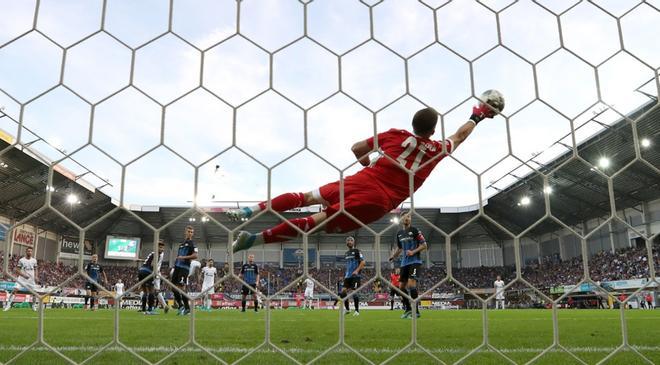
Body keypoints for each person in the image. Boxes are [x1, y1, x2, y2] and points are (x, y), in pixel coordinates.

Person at [228, 100, 503, 252]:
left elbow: (357, 148)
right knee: (314, 223)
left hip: (360, 180)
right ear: (432, 131)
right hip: (378, 199)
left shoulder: (395, 135)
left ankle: (252, 209)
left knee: (305, 196)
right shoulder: (436, 149)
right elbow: (460, 135)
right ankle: (254, 239)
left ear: (412, 125)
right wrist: (477, 115)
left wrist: (368, 160)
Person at [389, 212, 427, 319]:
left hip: (415, 261)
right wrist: (393, 256)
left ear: (410, 219)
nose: (407, 218)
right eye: (405, 216)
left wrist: (413, 251)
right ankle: (408, 309)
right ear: (401, 219)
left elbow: (424, 245)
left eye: (409, 216)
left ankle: (416, 311)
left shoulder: (415, 231)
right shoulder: (399, 233)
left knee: (411, 285)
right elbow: (400, 248)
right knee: (401, 288)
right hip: (404, 263)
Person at [171, 226, 198, 315]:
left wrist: (183, 257)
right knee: (173, 288)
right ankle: (181, 306)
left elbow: (195, 256)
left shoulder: (192, 244)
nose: (190, 233)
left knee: (181, 288)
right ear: (185, 232)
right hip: (177, 267)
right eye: (188, 231)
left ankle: (187, 308)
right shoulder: (181, 244)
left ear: (192, 234)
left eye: (191, 232)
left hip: (184, 268)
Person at [3, 247, 39, 312]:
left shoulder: (34, 260)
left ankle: (33, 305)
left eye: (31, 251)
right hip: (22, 279)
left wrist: (36, 276)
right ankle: (8, 305)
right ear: (26, 252)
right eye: (28, 251)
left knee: (34, 293)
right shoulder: (21, 260)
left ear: (32, 252)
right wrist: (23, 275)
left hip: (31, 280)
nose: (29, 252)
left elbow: (36, 269)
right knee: (14, 290)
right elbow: (17, 270)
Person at [340, 236, 365, 316]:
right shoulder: (346, 253)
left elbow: (363, 262)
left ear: (353, 242)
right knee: (343, 292)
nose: (349, 241)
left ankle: (357, 311)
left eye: (351, 240)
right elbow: (349, 264)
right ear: (346, 243)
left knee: (354, 292)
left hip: (355, 276)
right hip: (348, 276)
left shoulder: (357, 251)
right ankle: (347, 309)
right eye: (348, 240)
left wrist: (357, 271)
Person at [138, 241, 164, 314]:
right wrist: (155, 273)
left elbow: (147, 261)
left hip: (141, 271)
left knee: (145, 292)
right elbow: (153, 264)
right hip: (148, 272)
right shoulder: (157, 254)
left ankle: (143, 309)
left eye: (162, 247)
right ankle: (150, 310)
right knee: (151, 291)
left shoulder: (152, 253)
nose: (161, 249)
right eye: (160, 247)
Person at [153, 239, 170, 314]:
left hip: (154, 273)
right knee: (156, 291)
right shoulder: (159, 253)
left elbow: (153, 264)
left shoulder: (158, 254)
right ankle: (164, 305)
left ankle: (149, 307)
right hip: (157, 274)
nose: (161, 249)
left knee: (149, 290)